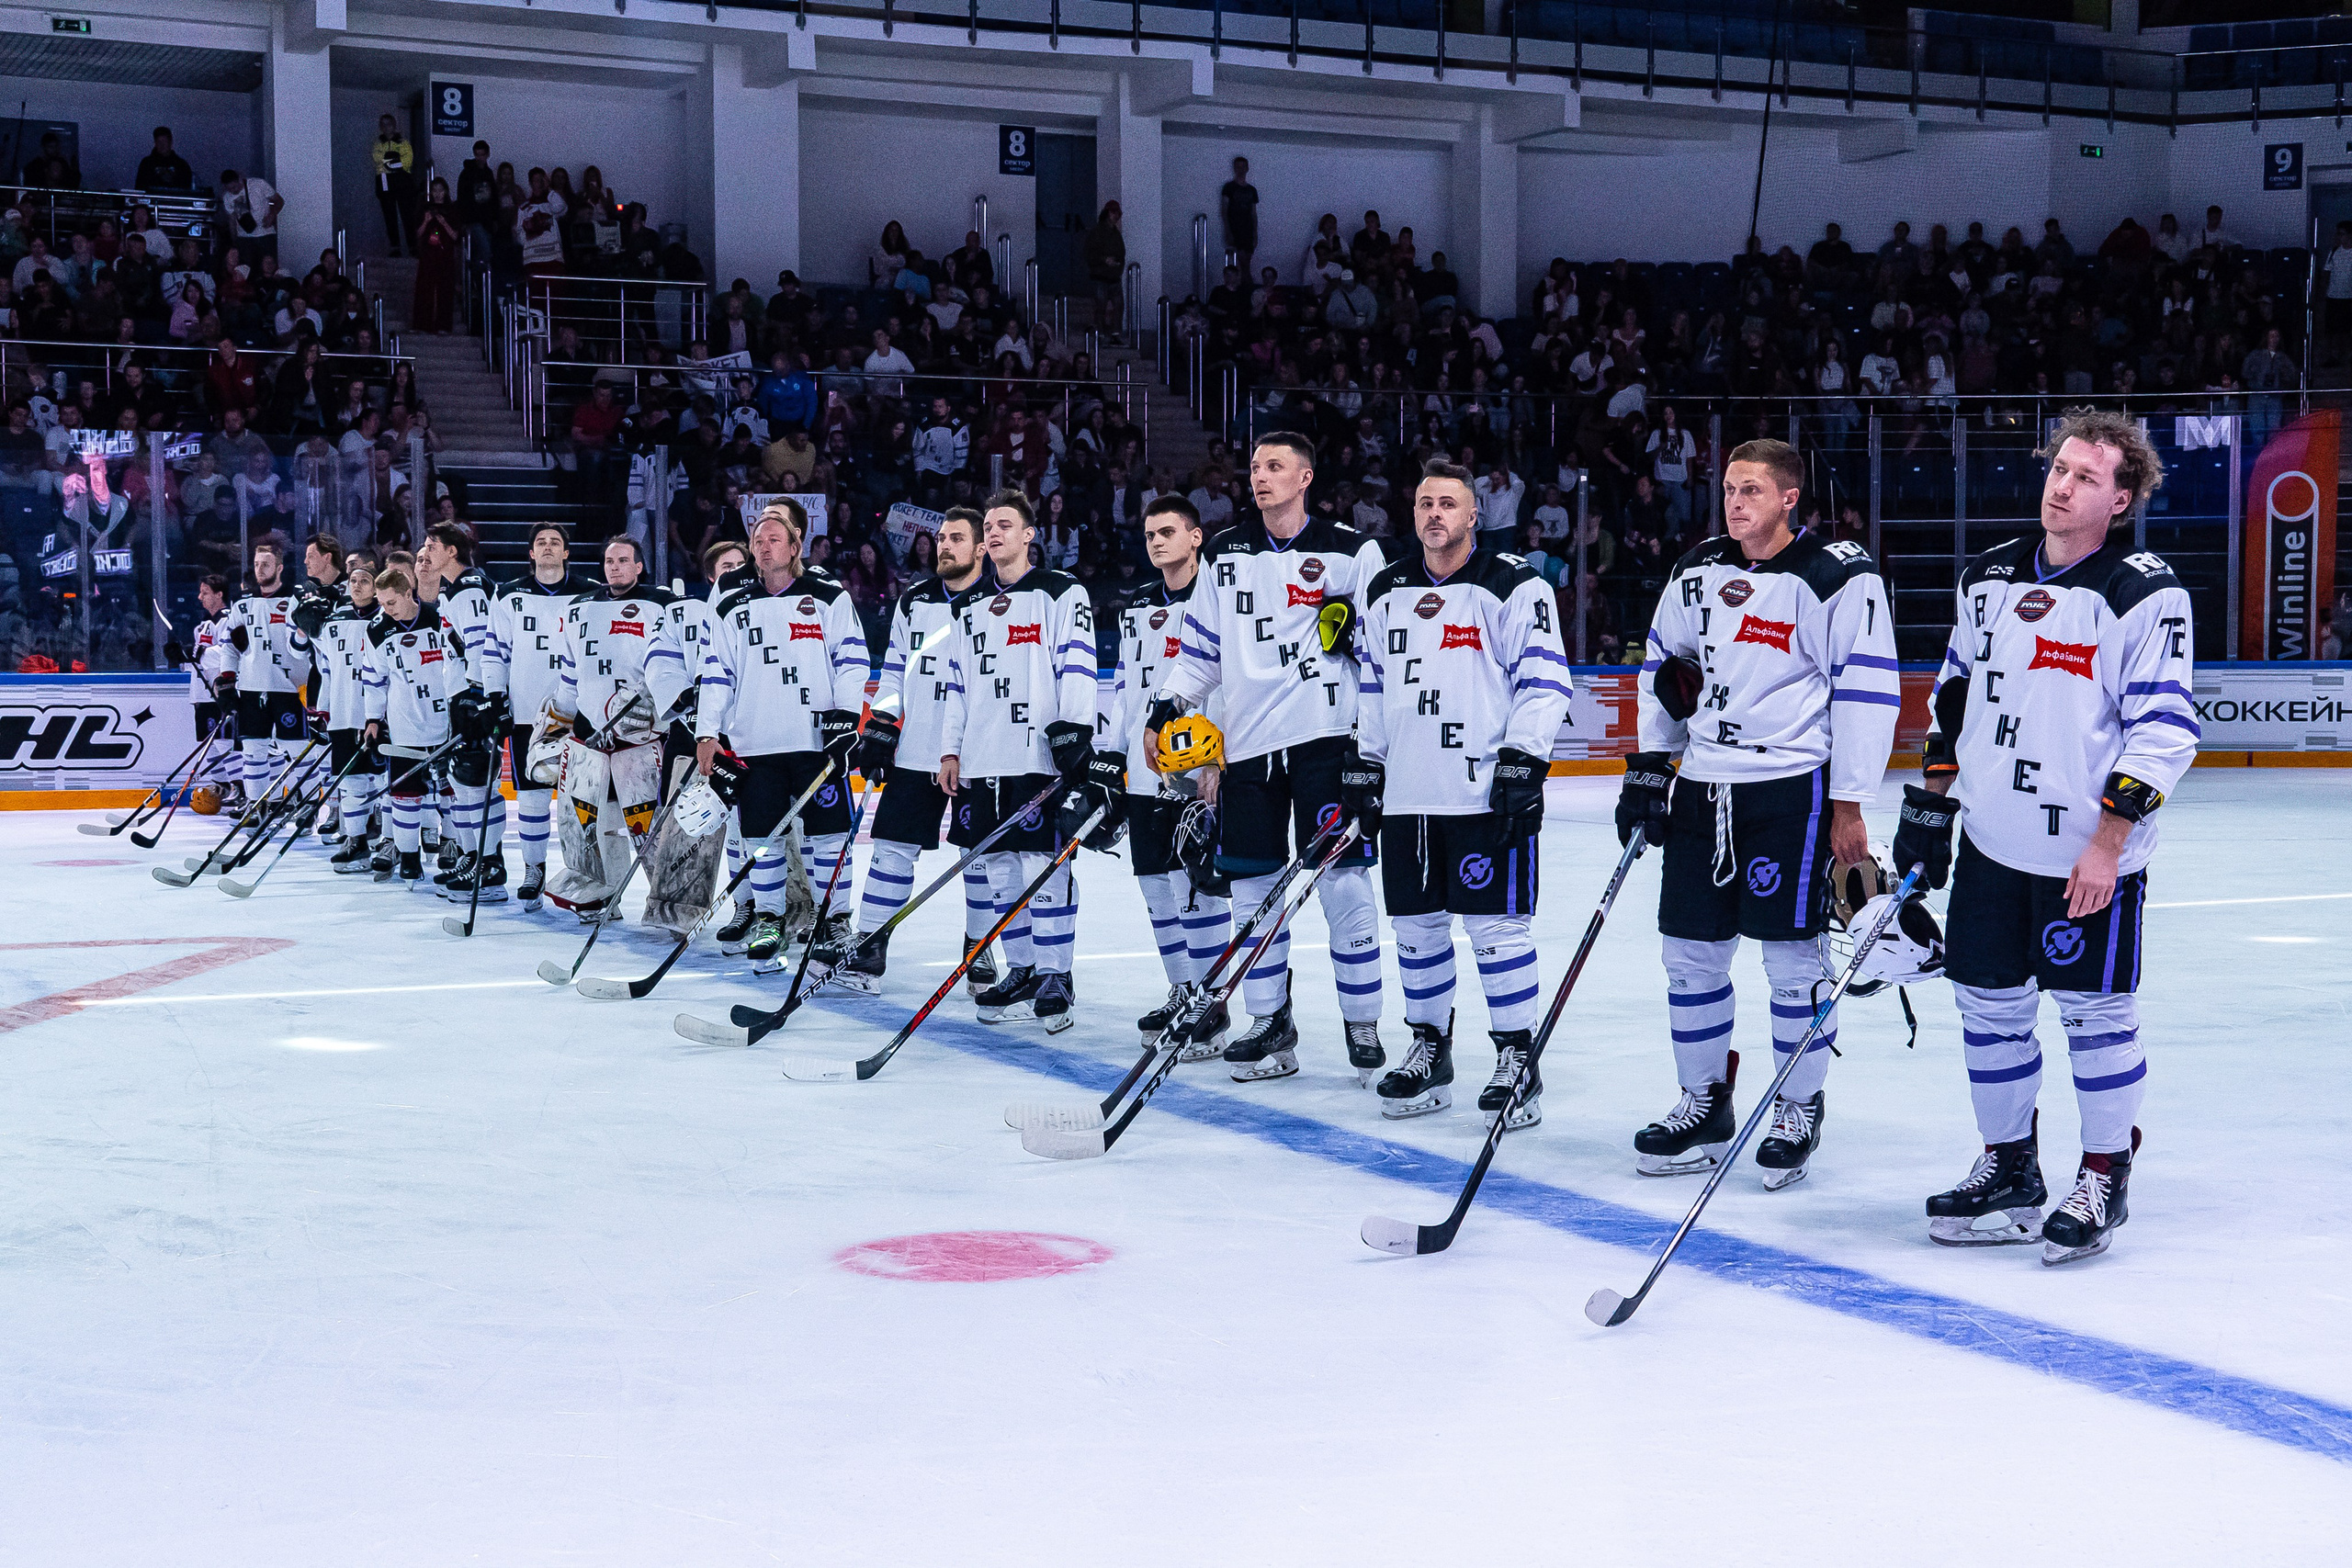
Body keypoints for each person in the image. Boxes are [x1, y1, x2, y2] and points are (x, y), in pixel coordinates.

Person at [1894, 410, 2196, 1266]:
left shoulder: (2143, 589)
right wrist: (1930, 810)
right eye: (2059, 469)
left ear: (2121, 499)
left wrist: (2108, 841)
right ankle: (2010, 1165)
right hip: (1993, 843)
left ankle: (2104, 1172)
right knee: (1988, 1010)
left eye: (2085, 477)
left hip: (2084, 858)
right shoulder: (1986, 576)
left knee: (2096, 1016)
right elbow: (1953, 702)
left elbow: (2165, 729)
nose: (2061, 486)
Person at [1617, 437, 1898, 1190]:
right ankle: (1704, 1101)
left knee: (1791, 959)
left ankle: (1797, 1105)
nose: (1735, 502)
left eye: (1752, 490)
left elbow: (1868, 691)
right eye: (1730, 489)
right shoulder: (1698, 569)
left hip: (1791, 790)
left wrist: (1851, 806)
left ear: (1788, 499)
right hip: (1703, 785)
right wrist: (1651, 764)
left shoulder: (1838, 575)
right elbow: (1664, 666)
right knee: (1690, 953)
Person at [1148, 431, 1388, 1086]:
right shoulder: (1225, 551)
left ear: (1305, 477)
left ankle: (1362, 1021)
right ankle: (1270, 1021)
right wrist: (1165, 706)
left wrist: (1372, 730)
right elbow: (1198, 648)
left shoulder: (1350, 551)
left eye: (1275, 466)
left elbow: (1385, 651)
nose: (1260, 476)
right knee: (1253, 889)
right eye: (1255, 466)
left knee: (1342, 883)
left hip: (1327, 740)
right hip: (1249, 746)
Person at [1353, 460, 1572, 1124]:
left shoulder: (1513, 583)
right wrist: (1365, 764)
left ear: (1475, 514)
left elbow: (1546, 680)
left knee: (1496, 929)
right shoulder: (1386, 587)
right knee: (1416, 930)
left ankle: (1516, 1060)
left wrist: (1523, 761)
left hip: (1482, 792)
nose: (1435, 514)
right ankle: (1430, 1050)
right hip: (1409, 796)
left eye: (1449, 503)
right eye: (1424, 502)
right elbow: (1371, 685)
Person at [935, 491, 1101, 1029]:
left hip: (1038, 755)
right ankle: (1023, 967)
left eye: (1005, 524)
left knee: (1044, 866)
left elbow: (1077, 665)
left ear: (1030, 535)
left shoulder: (1060, 591)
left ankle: (1056, 974)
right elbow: (956, 686)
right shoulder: (967, 606)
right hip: (984, 757)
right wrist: (950, 748)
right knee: (1000, 870)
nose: (994, 533)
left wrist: (1075, 738)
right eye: (988, 526)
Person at [827, 507, 1008, 993]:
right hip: (918, 748)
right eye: (941, 537)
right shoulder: (915, 599)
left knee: (979, 855)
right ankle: (868, 950)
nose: (945, 546)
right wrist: (882, 723)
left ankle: (979, 948)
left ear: (982, 548)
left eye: (956, 538)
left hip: (980, 752)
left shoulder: (1001, 600)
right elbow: (894, 669)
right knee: (890, 849)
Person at [695, 502, 869, 969]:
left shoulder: (828, 593)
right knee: (760, 837)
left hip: (816, 745)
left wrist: (846, 717)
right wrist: (707, 732)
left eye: (774, 538)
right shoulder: (731, 596)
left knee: (827, 838)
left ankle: (834, 921)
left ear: (796, 547)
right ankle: (769, 919)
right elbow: (717, 670)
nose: (763, 546)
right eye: (757, 539)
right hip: (755, 744)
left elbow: (852, 660)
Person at [1110, 494, 1234, 1052]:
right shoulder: (1136, 602)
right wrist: (1113, 759)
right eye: (1150, 533)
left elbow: (1228, 681)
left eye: (1168, 532)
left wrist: (1216, 760)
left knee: (1199, 888)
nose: (1157, 541)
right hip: (1144, 768)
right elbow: (1124, 686)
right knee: (1155, 885)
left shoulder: (1221, 598)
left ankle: (1212, 1002)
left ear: (1196, 538)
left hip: (1196, 766)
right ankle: (1183, 991)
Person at [538, 537, 681, 922]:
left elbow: (676, 666)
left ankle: (669, 902)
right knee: (591, 824)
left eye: (623, 560)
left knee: (647, 827)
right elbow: (571, 676)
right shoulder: (580, 607)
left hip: (642, 737)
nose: (614, 567)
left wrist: (667, 706)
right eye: (608, 561)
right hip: (590, 737)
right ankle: (603, 895)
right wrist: (556, 723)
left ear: (639, 566)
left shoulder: (663, 605)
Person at [482, 524, 597, 907]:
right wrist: (496, 697)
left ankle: (588, 879)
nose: (548, 548)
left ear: (566, 552)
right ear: (531, 553)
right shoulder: (508, 594)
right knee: (531, 798)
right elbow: (494, 652)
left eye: (556, 542)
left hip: (579, 713)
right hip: (527, 714)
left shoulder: (592, 594)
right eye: (540, 543)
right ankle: (534, 870)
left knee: (581, 802)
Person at [359, 565, 464, 886]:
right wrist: (373, 719)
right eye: (380, 603)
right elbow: (373, 681)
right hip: (405, 725)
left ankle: (451, 843)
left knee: (451, 790)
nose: (385, 610)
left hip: (444, 722)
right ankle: (408, 857)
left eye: (391, 603)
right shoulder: (377, 631)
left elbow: (461, 663)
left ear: (408, 593)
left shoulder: (439, 619)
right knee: (405, 794)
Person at [223, 534, 316, 813]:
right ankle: (259, 805)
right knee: (253, 751)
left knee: (297, 749)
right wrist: (226, 681)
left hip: (289, 688)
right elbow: (229, 647)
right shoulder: (242, 606)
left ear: (279, 569)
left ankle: (308, 806)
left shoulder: (295, 602)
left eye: (266, 564)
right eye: (256, 563)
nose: (260, 569)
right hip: (252, 688)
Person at [313, 558, 386, 870]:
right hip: (343, 713)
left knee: (385, 780)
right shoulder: (332, 622)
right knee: (351, 782)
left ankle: (387, 841)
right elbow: (325, 671)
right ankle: (355, 840)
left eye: (365, 580)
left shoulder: (387, 620)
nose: (357, 585)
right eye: (353, 580)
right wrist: (323, 709)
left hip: (378, 715)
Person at [413, 178, 461, 333]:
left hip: (445, 254)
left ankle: (443, 326)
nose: (438, 193)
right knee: (424, 289)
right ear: (431, 192)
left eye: (441, 190)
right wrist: (426, 221)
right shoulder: (425, 208)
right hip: (428, 253)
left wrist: (444, 223)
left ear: (446, 191)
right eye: (435, 190)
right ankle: (421, 324)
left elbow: (455, 237)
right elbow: (418, 234)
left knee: (445, 289)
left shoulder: (452, 209)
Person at [371, 114, 420, 258]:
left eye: (390, 124)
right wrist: (394, 161)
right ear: (380, 127)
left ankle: (412, 247)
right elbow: (378, 159)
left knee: (407, 215)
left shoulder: (403, 142)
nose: (387, 127)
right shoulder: (378, 144)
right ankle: (395, 247)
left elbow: (407, 160)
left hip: (402, 180)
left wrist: (392, 163)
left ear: (395, 125)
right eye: (384, 124)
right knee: (389, 215)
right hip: (385, 180)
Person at [1084, 201, 1126, 339]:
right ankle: (1100, 333)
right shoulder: (1097, 232)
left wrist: (1117, 265)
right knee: (1101, 306)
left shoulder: (1116, 234)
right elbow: (1089, 253)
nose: (1116, 216)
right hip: (1101, 276)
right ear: (1107, 213)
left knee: (1118, 306)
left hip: (1113, 276)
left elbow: (1121, 253)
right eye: (1114, 213)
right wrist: (1104, 260)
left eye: (1118, 214)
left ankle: (1115, 333)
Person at [1220, 156, 1259, 280]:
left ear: (1247, 168)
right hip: (1236, 229)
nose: (1240, 169)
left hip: (1248, 229)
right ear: (1234, 168)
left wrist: (1255, 233)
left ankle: (1245, 287)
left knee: (1247, 262)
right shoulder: (1229, 187)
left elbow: (1253, 213)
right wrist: (1228, 231)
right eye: (1238, 167)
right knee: (1242, 263)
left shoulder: (1252, 190)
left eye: (1243, 167)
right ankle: (1246, 287)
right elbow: (1224, 211)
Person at [135, 127, 192, 194]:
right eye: (159, 142)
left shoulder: (182, 165)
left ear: (170, 142)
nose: (162, 145)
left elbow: (187, 190)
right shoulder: (146, 163)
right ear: (155, 143)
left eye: (164, 141)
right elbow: (139, 188)